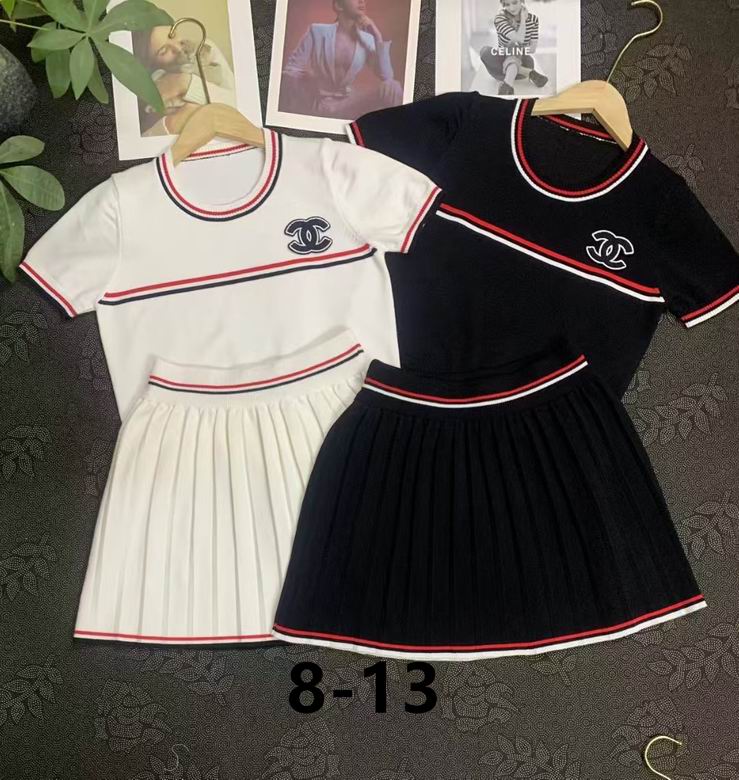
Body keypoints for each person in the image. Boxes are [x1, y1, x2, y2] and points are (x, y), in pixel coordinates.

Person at [281, 0, 403, 119]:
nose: (361, 1)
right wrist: (309, 83)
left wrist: (377, 37)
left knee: (393, 87)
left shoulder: (367, 39)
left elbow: (387, 76)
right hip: (318, 101)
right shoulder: (317, 31)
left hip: (350, 102)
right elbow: (291, 70)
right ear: (339, 5)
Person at [132, 26, 237, 136]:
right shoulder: (151, 90)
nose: (178, 48)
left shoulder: (203, 49)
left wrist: (185, 83)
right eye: (164, 51)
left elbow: (239, 107)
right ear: (151, 65)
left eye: (173, 35)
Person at [479, 0, 548, 96]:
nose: (511, 8)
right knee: (485, 51)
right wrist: (523, 21)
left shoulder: (533, 19)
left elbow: (532, 49)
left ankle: (507, 85)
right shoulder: (500, 19)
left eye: (515, 2)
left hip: (524, 62)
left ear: (522, 1)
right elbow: (518, 38)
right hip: (502, 65)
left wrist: (523, 20)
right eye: (507, 4)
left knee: (514, 45)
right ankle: (528, 73)